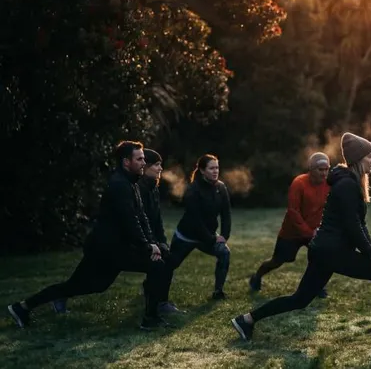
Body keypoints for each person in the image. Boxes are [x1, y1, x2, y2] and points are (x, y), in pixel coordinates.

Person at [230, 132, 371, 344]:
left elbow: (358, 223)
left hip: (325, 250)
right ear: (358, 158)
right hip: (332, 251)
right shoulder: (347, 186)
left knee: (300, 299)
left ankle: (246, 320)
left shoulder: (350, 182)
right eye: (370, 156)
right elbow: (351, 226)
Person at [7, 141, 172, 330]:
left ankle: (21, 307)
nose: (144, 162)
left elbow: (141, 217)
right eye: (140, 159)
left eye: (144, 159)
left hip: (116, 248)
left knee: (83, 286)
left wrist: (153, 243)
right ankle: (150, 320)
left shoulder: (131, 183)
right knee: (156, 266)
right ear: (126, 162)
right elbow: (129, 222)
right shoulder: (119, 185)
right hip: (104, 250)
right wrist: (147, 247)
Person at [53, 148, 180, 314]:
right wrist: (149, 246)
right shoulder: (131, 188)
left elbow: (155, 222)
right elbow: (132, 222)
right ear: (144, 166)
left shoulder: (153, 189)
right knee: (88, 283)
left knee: (163, 262)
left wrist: (160, 242)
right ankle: (46, 299)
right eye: (156, 164)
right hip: (113, 243)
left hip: (130, 242)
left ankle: (158, 303)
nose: (160, 168)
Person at [249, 152, 331, 299]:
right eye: (320, 170)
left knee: (321, 256)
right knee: (278, 260)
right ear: (311, 169)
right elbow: (293, 211)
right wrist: (307, 231)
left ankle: (318, 286)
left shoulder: (329, 184)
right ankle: (257, 276)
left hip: (314, 231)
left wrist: (319, 230)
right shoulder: (299, 183)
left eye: (327, 169)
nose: (324, 173)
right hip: (292, 232)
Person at [167, 154, 232, 300]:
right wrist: (211, 239)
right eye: (211, 168)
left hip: (208, 236)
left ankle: (218, 292)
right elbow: (194, 220)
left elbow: (226, 214)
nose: (215, 171)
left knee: (224, 253)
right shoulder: (193, 189)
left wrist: (224, 236)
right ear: (202, 170)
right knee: (170, 264)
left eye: (217, 168)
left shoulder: (221, 188)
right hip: (186, 235)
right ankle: (152, 289)